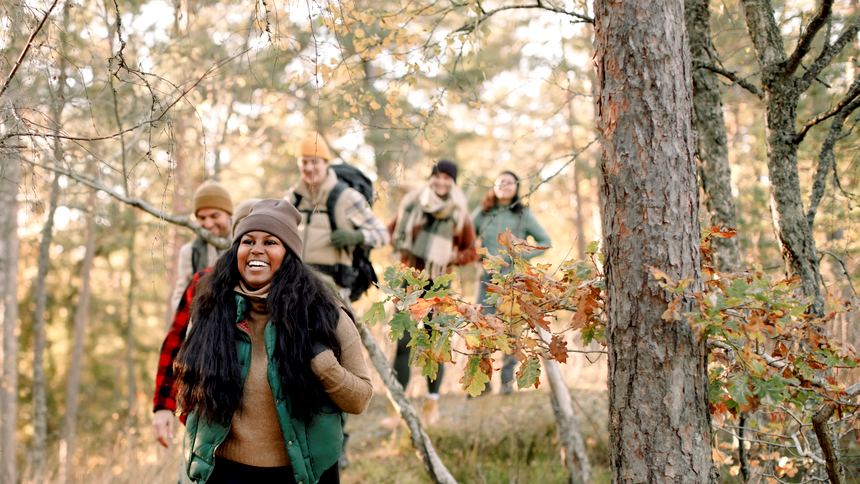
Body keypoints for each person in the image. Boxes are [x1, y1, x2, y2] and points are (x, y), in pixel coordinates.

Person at [173, 199, 372, 484]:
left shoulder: (325, 313)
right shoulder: (210, 308)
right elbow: (191, 387)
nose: (257, 250)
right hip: (226, 471)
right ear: (236, 250)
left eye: (270, 242)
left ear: (289, 254)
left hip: (304, 472)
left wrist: (324, 366)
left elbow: (360, 398)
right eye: (248, 241)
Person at [153, 198, 260, 484]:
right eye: (248, 237)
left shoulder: (297, 290)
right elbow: (176, 343)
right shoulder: (204, 282)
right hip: (206, 424)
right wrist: (164, 405)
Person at [388, 159, 478, 423]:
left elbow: (471, 250)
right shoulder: (412, 204)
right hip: (409, 283)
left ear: (453, 182)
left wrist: (452, 256)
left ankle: (431, 406)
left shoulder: (459, 212)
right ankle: (397, 408)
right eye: (437, 176)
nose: (441, 182)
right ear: (431, 177)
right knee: (403, 343)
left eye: (446, 178)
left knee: (436, 343)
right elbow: (390, 231)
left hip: (439, 285)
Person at [284, 133, 389, 304]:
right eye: (304, 162)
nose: (309, 168)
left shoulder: (348, 198)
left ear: (326, 163)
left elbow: (382, 235)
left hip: (334, 293)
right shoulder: (291, 198)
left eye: (314, 161)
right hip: (294, 288)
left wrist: (357, 237)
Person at [473, 171, 551, 394]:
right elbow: (465, 233)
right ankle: (482, 383)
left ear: (517, 187)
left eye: (509, 183)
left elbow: (545, 242)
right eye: (500, 182)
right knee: (482, 327)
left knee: (511, 331)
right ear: (494, 186)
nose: (504, 186)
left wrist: (518, 256)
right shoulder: (483, 212)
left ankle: (507, 386)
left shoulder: (523, 214)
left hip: (514, 279)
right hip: (487, 280)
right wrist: (476, 253)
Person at [168, 180, 234, 313]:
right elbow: (180, 296)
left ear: (229, 214)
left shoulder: (247, 244)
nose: (208, 224)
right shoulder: (190, 252)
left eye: (214, 216)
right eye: (202, 218)